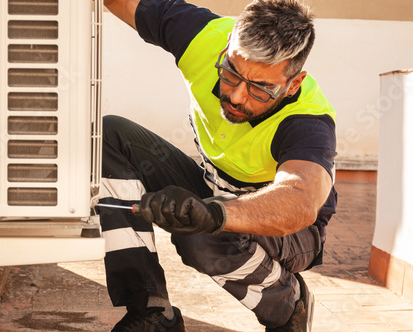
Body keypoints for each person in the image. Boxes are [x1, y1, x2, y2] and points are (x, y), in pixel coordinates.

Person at [99, 0, 337, 331]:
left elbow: (301, 200)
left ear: (293, 84)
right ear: (226, 48)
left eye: (260, 89)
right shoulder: (202, 36)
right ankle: (151, 311)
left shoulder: (308, 121)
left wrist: (214, 214)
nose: (238, 96)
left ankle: (287, 303)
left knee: (199, 238)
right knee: (110, 135)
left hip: (292, 232)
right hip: (215, 191)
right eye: (231, 73)